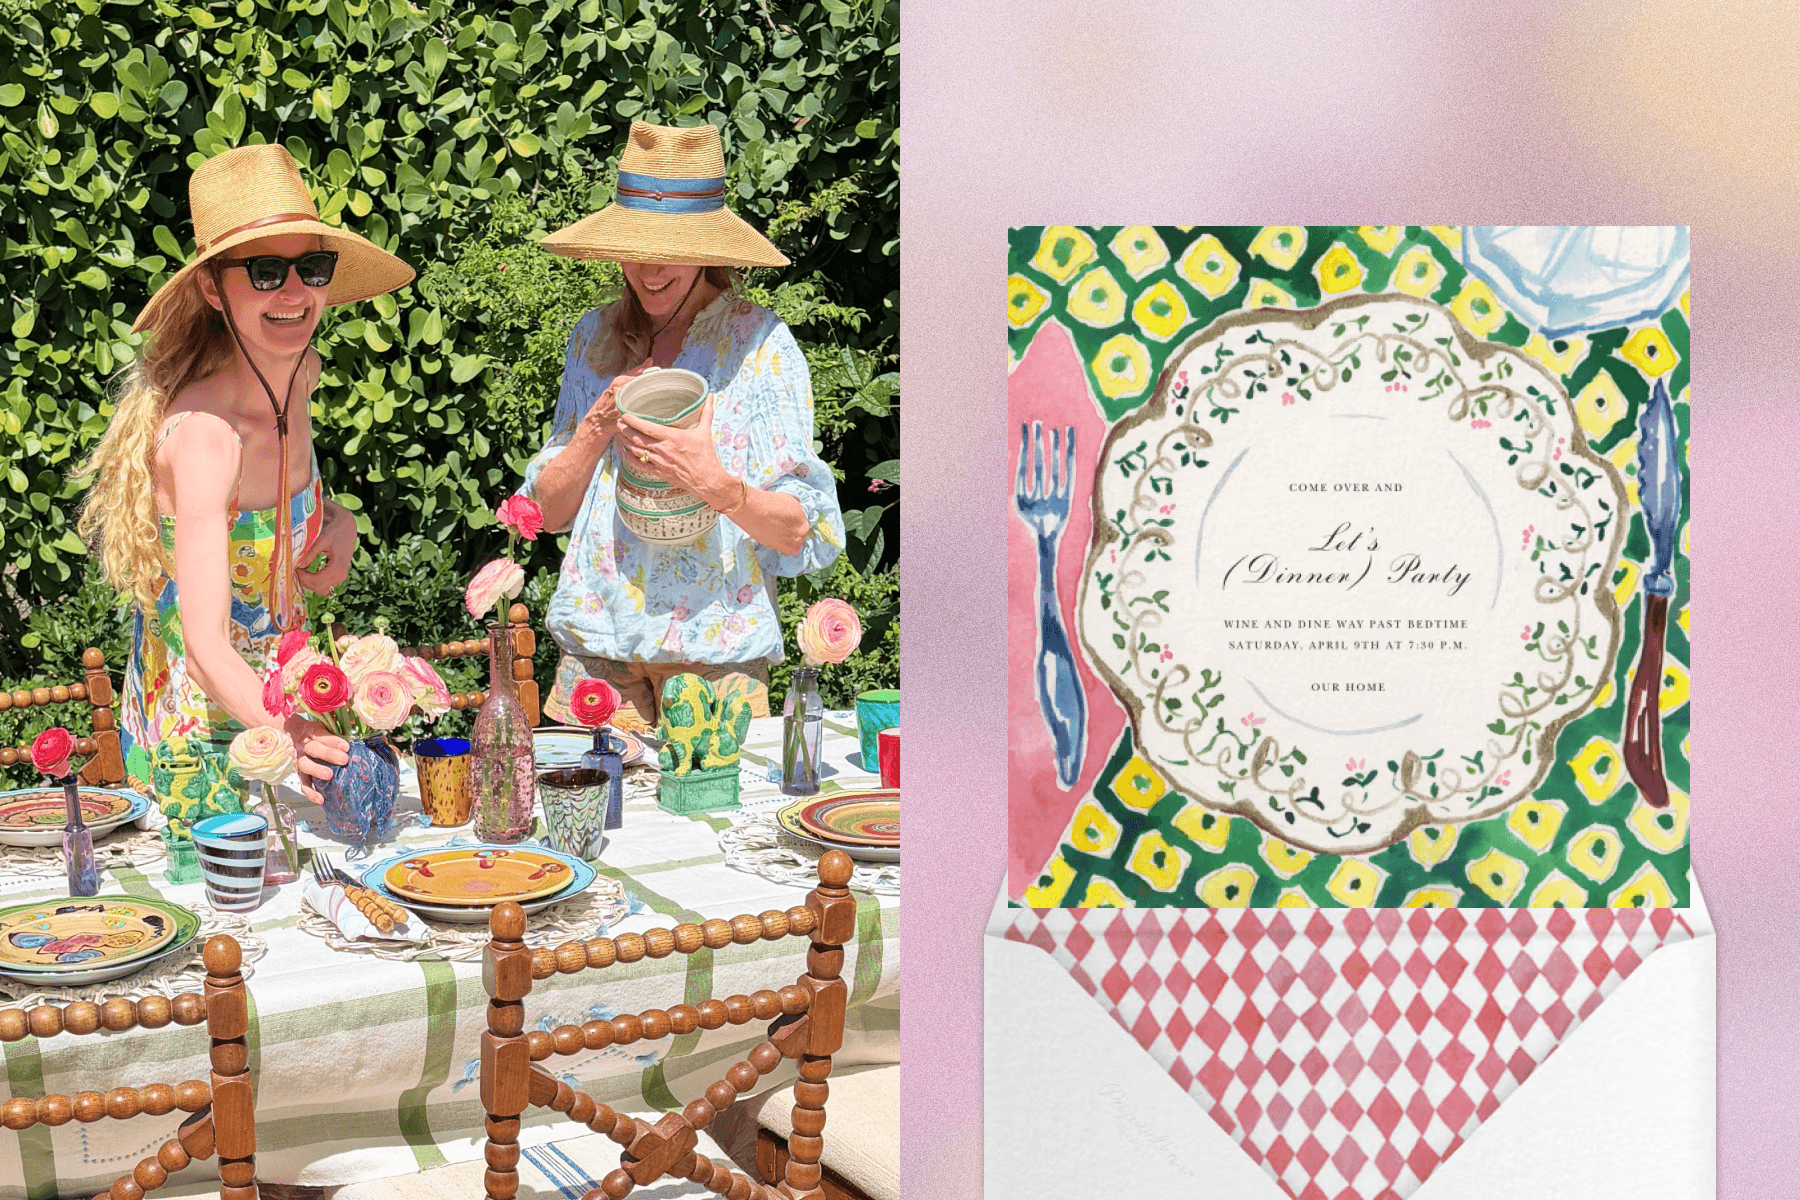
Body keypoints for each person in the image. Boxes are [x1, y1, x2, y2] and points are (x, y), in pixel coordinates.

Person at [76, 144, 414, 820]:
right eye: (264, 272)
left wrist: (336, 522)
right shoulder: (205, 438)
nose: (294, 294)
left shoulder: (302, 372)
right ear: (212, 288)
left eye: (312, 268)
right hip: (201, 743)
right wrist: (289, 731)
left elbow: (279, 516)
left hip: (289, 707)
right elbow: (203, 646)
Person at [522, 121, 845, 730]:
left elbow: (804, 531)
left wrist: (713, 482)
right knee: (588, 822)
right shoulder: (593, 338)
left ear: (710, 251)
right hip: (596, 655)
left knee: (718, 829)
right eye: (636, 247)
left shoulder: (760, 346)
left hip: (717, 660)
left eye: (671, 248)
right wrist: (597, 425)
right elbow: (548, 512)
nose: (649, 270)